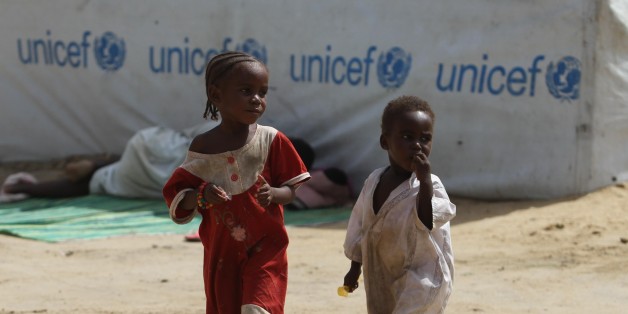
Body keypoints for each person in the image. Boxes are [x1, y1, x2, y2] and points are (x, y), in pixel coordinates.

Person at [162, 51, 310, 314]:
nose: (257, 100)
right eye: (246, 90)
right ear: (216, 95)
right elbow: (179, 197)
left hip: (267, 246)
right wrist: (202, 195)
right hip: (222, 254)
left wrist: (275, 193)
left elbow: (291, 190)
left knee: (257, 308)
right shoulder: (204, 147)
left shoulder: (271, 140)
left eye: (262, 93)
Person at [341, 95, 456, 313]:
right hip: (382, 274)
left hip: (423, 278)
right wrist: (355, 268)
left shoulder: (430, 184)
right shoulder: (374, 181)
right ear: (385, 142)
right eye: (407, 137)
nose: (417, 146)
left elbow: (427, 219)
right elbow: (359, 226)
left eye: (425, 138)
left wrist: (424, 181)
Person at [0, 122, 214, 202]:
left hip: (151, 149)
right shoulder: (235, 142)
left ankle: (99, 164)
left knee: (109, 174)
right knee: (99, 181)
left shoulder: (222, 127)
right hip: (160, 179)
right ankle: (26, 188)